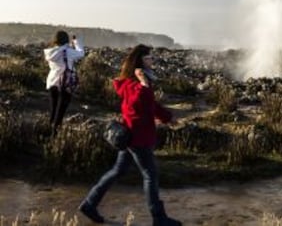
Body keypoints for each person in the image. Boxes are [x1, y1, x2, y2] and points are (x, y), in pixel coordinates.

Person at [79, 44, 182, 226]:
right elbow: (136, 104)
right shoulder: (132, 83)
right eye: (148, 57)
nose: (152, 60)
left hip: (131, 135)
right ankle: (158, 218)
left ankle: (89, 204)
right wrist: (143, 84)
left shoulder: (139, 81)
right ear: (139, 62)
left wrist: (168, 118)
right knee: (150, 175)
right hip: (138, 136)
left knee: (117, 171)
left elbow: (150, 105)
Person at [44, 30, 85, 134]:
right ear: (66, 40)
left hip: (52, 83)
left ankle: (49, 133)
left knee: (53, 110)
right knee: (60, 112)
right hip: (65, 84)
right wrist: (76, 42)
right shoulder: (67, 51)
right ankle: (54, 136)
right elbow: (81, 54)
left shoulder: (50, 52)